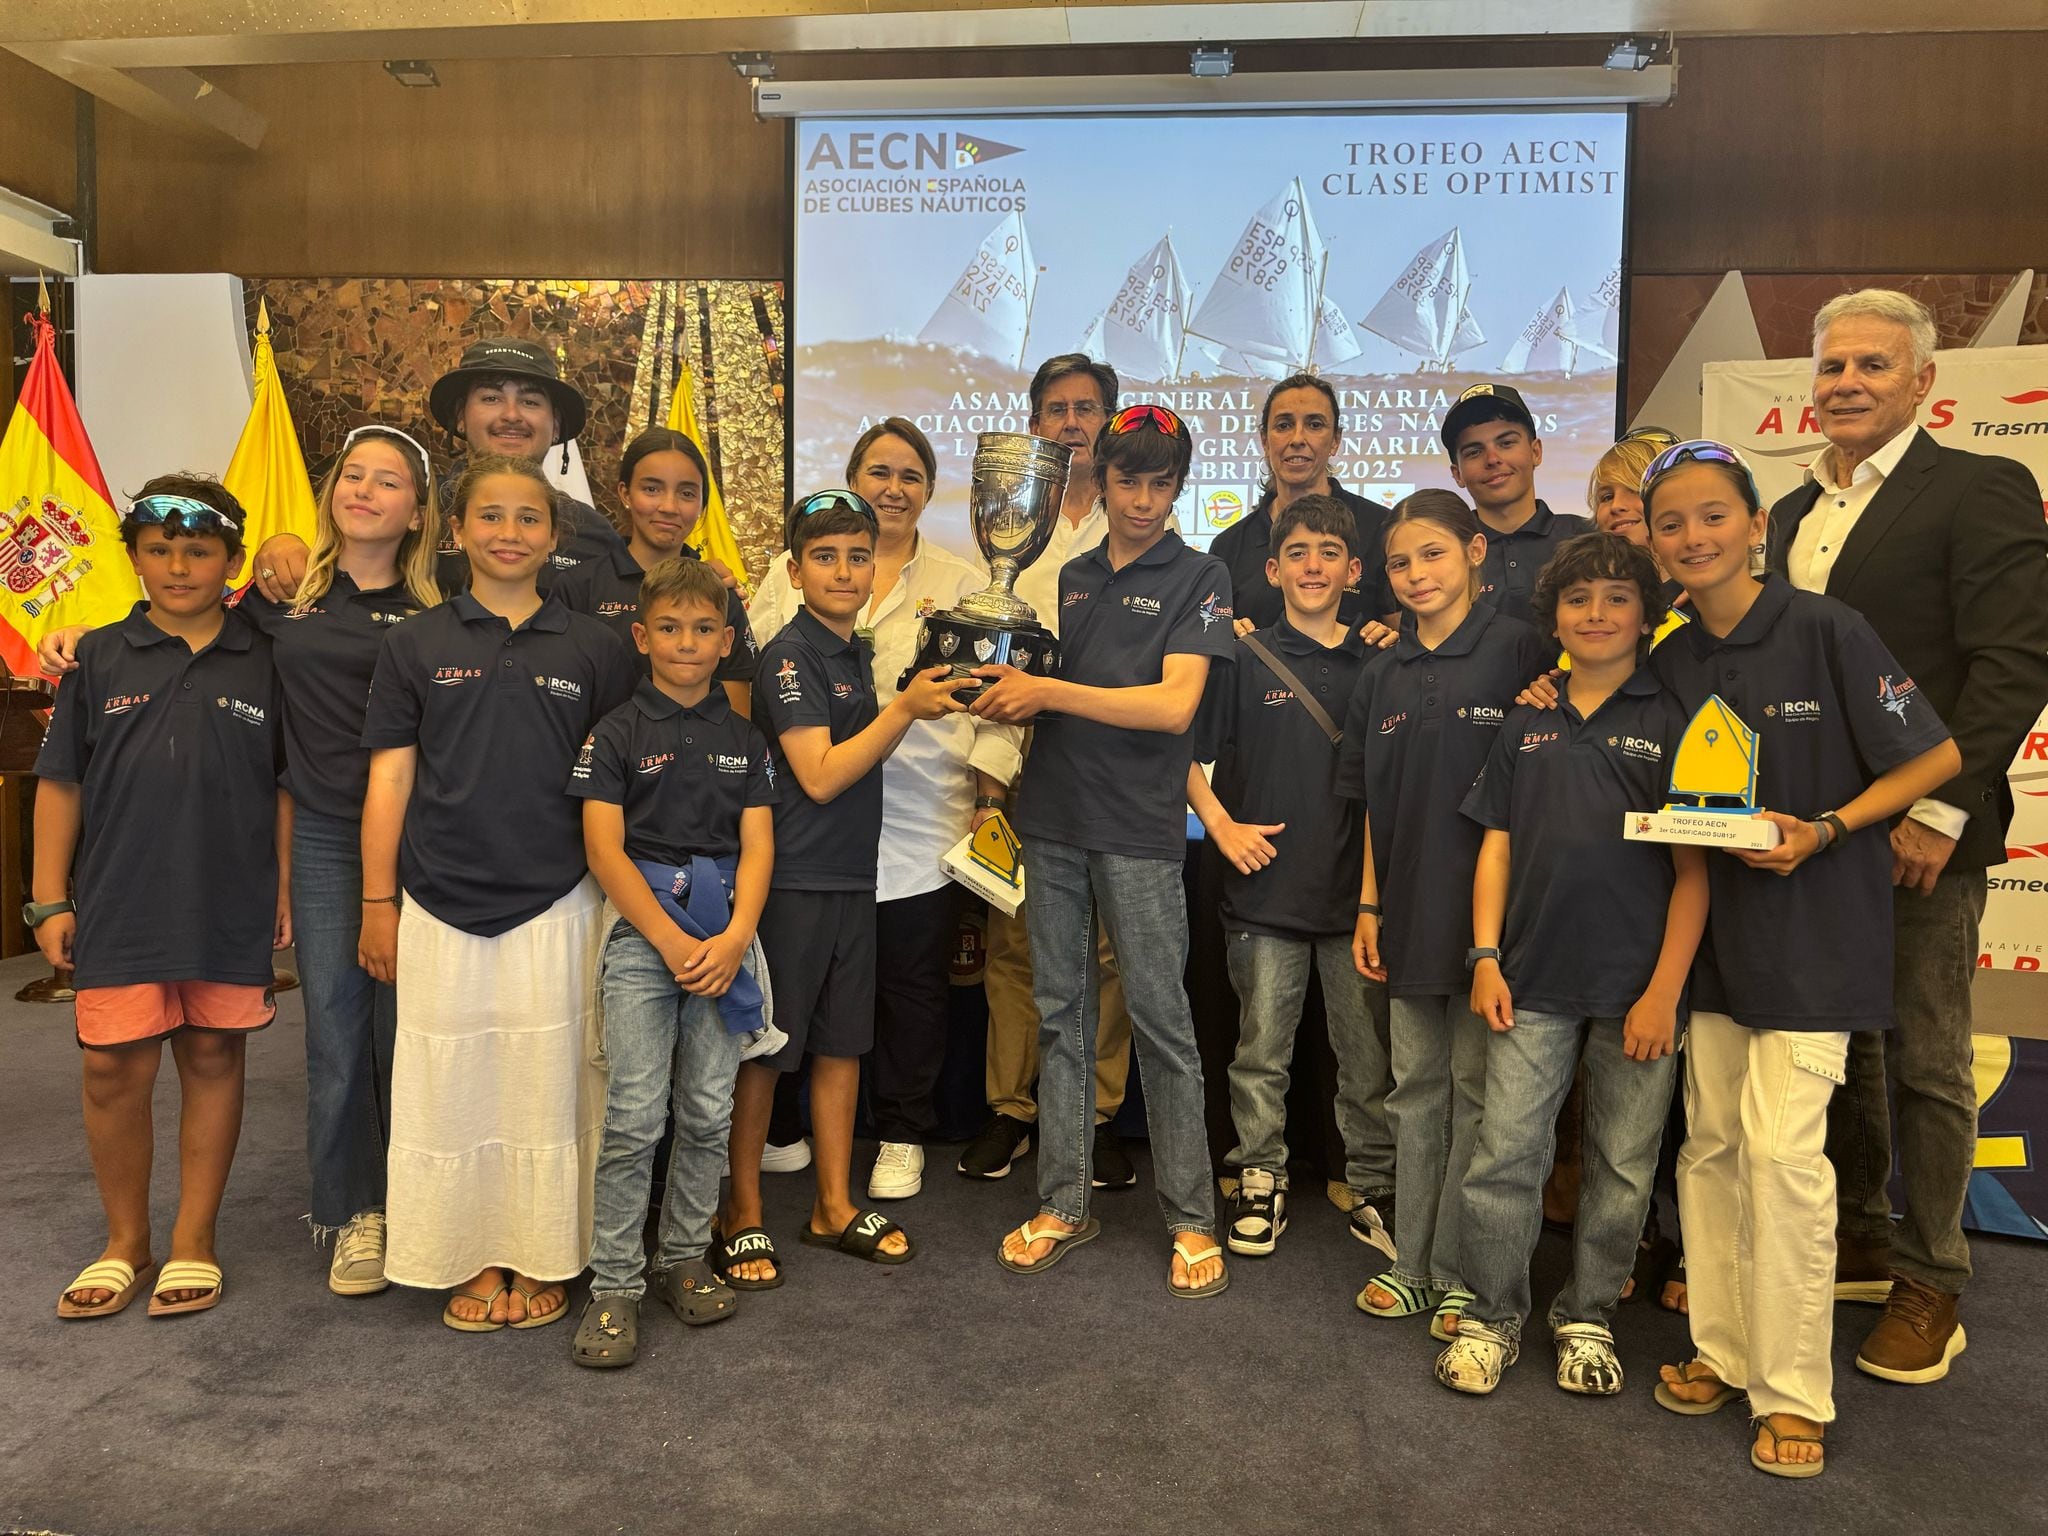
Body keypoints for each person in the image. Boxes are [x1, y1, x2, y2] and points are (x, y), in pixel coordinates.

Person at [35, 426, 445, 1297]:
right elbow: (167, 628)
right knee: (335, 1034)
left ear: (421, 509)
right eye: (353, 475)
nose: (367, 491)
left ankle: (439, 1207)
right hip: (325, 835)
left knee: (421, 1033)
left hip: (432, 837)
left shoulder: (441, 606)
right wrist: (73, 632)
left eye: (391, 481)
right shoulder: (282, 607)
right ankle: (351, 1213)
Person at [1630, 439, 1958, 1478]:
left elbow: (1933, 755)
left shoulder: (1825, 630)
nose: (1691, 536)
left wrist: (1824, 828)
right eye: (1669, 521)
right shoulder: (1669, 657)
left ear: (1754, 525)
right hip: (1714, 945)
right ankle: (1722, 1355)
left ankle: (1792, 1393)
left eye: (1711, 516)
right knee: (1711, 1150)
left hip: (1815, 943)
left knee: (1782, 1161)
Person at [1773, 289, 2048, 1383]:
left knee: (1928, 1059)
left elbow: (2011, 664)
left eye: (1871, 367)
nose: (1845, 383)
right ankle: (1860, 1235)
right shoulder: (1787, 515)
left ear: (1922, 383)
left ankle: (1934, 1277)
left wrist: (1936, 811)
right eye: (1832, 366)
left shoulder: (1980, 490)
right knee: (1842, 1053)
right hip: (1812, 838)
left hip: (1920, 834)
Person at [359, 454, 636, 1332]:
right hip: (439, 899)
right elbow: (390, 783)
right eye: (491, 517)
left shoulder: (596, 647)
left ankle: (542, 1252)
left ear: (555, 538)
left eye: (528, 519)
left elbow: (619, 786)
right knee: (456, 1083)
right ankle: (468, 1256)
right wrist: (378, 903)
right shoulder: (413, 643)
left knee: (551, 1082)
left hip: (562, 899)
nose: (508, 534)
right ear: (455, 531)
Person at [1435, 532, 1705, 1397]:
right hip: (1531, 979)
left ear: (1647, 614)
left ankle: (1587, 1314)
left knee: (1623, 1167)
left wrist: (1665, 991)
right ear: (1552, 615)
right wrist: (1484, 954)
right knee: (1504, 1154)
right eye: (1578, 599)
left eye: (1617, 599)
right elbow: (1497, 849)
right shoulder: (1527, 718)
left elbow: (1696, 871)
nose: (1596, 614)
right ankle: (1492, 1315)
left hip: (1640, 992)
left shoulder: (1673, 716)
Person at [975, 402, 1234, 1298]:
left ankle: (1193, 1217)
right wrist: (1002, 690)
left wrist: (1047, 689)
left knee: (1163, 1023)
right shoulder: (1070, 573)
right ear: (1100, 479)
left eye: (1163, 483)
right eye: (1130, 480)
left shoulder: (1202, 574)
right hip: (1051, 821)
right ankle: (1062, 1202)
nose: (1145, 499)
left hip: (1138, 830)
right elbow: (1037, 694)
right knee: (1061, 1014)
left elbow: (1172, 709)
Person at [36, 477, 288, 1320]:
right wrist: (46, 900)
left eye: (199, 550)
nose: (179, 566)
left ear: (233, 560)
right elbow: (61, 783)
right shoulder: (96, 655)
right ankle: (124, 1244)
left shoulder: (268, 655)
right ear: (135, 556)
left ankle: (193, 1240)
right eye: (158, 550)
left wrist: (284, 888)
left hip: (230, 898)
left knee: (214, 1056)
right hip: (120, 897)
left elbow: (287, 786)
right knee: (113, 1066)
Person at [748, 420, 1020, 1201]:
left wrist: (989, 796)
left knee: (911, 987)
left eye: (910, 474)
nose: (893, 486)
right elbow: (762, 662)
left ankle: (901, 1129)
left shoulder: (968, 582)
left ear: (930, 491)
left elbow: (998, 709)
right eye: (878, 471)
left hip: (921, 817)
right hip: (813, 819)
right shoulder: (789, 574)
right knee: (799, 989)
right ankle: (784, 1129)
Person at [716, 491, 969, 1287]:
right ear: (794, 571)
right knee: (769, 1053)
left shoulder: (851, 651)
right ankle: (743, 1212)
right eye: (824, 556)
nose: (844, 570)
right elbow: (820, 777)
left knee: (842, 1045)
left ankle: (832, 1203)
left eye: (858, 556)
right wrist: (906, 709)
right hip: (794, 881)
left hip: (851, 880)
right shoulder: (788, 657)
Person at [1341, 490, 1549, 1340]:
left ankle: (1465, 1272)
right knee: (1414, 1089)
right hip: (1404, 911)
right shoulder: (1382, 670)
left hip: (1492, 920)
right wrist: (1366, 904)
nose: (1417, 574)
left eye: (1432, 554)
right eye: (1399, 562)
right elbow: (1367, 801)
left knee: (1477, 1093)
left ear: (1473, 551)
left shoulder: (1520, 649)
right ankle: (1413, 1263)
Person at [568, 556, 777, 1367]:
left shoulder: (745, 737)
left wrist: (730, 943)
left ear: (726, 640)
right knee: (632, 1116)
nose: (686, 644)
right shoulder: (617, 731)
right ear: (641, 635)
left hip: (726, 943)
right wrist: (669, 940)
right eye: (670, 629)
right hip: (645, 942)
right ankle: (616, 1284)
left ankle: (683, 1257)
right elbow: (602, 848)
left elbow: (758, 849)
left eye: (702, 630)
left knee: (707, 1113)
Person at [1185, 492, 1396, 1259]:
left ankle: (1373, 1184)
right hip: (1264, 893)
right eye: (1298, 554)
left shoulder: (1380, 659)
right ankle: (1259, 1176)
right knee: (1260, 1052)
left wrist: (1375, 895)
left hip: (1353, 899)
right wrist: (1220, 823)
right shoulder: (1241, 657)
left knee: (1365, 1058)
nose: (1314, 566)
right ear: (1271, 570)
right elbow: (1180, 749)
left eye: (1329, 554)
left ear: (1356, 569)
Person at [962, 353, 1139, 1190]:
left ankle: (1096, 1116)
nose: (1073, 422)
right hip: (1020, 767)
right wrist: (988, 788)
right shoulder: (1008, 533)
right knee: (1016, 948)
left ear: (1109, 422)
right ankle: (1012, 1108)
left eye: (1089, 409)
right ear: (1034, 424)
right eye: (1058, 410)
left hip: (1108, 772)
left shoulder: (1138, 531)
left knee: (1105, 954)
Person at [248, 338, 629, 602]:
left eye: (530, 401)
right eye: (492, 398)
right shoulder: (409, 509)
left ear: (557, 426)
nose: (511, 416)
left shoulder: (594, 535)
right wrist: (282, 548)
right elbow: (336, 560)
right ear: (460, 418)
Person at [554, 426, 756, 713]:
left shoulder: (719, 591)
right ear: (625, 492)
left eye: (687, 493)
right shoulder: (579, 586)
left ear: (702, 503)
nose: (669, 506)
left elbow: (736, 722)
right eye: (652, 489)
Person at [1209, 373, 1391, 632]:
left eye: (1314, 425)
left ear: (1335, 440)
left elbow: (1406, 636)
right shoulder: (1228, 547)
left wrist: (1388, 640)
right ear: (1264, 441)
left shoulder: (1380, 529)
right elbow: (1211, 639)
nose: (1297, 439)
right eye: (1283, 425)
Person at [1439, 382, 1591, 627]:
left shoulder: (1587, 538)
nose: (1492, 459)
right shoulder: (1444, 554)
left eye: (1506, 443)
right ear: (1457, 474)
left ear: (1536, 452)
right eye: (1474, 452)